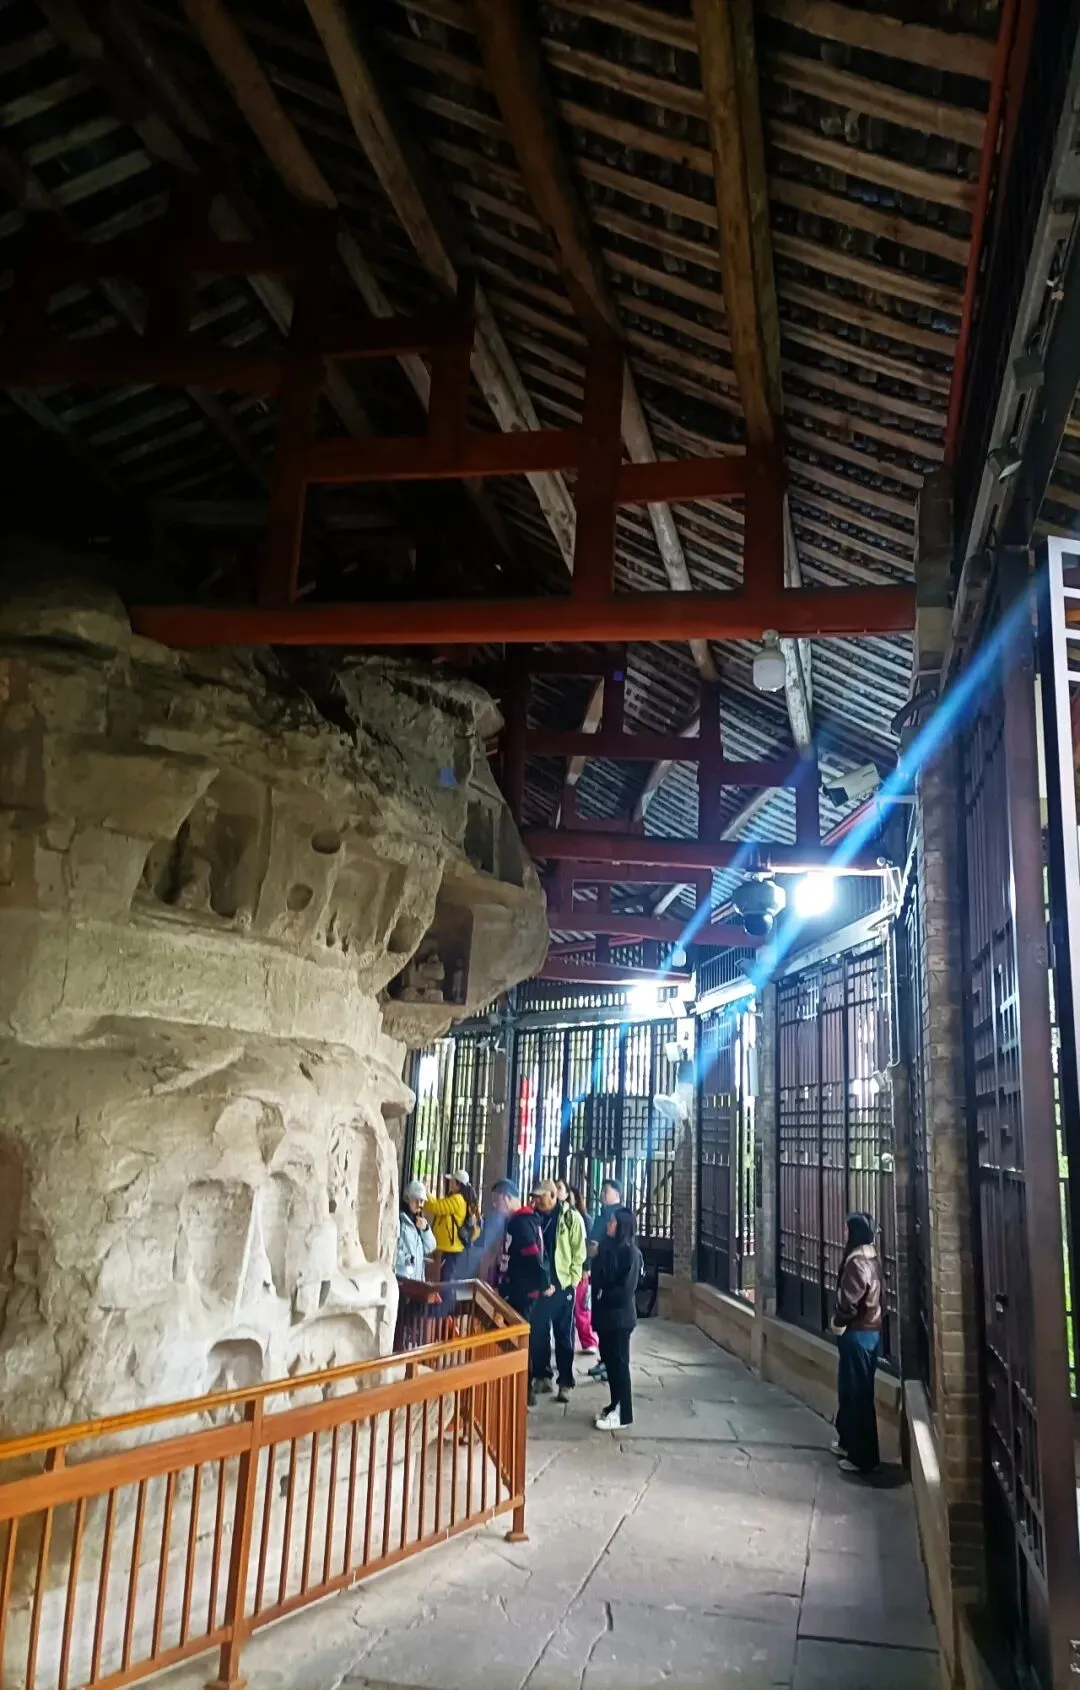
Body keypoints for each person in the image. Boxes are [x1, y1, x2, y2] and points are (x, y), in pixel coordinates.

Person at [829, 1211, 884, 1474]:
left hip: (858, 1332)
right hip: (869, 1332)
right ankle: (848, 1442)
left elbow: (849, 1301)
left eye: (847, 1230)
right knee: (853, 1390)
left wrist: (838, 1321)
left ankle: (863, 1457)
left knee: (857, 1393)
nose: (844, 1234)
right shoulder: (872, 1257)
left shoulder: (858, 1263)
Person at [490, 1179, 553, 1406]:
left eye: (497, 1200)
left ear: (507, 1198)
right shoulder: (521, 1221)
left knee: (520, 1342)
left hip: (523, 1292)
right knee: (519, 1340)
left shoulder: (522, 1223)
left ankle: (523, 1392)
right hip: (518, 1289)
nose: (495, 1206)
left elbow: (533, 1255)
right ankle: (520, 1389)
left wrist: (544, 1283)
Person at [530, 1178, 587, 1404]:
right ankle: (542, 1375)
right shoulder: (533, 1217)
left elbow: (578, 1251)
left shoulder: (570, 1217)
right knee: (539, 1333)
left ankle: (565, 1381)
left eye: (541, 1196)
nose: (537, 1200)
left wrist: (571, 1281)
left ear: (553, 1196)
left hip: (562, 1285)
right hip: (540, 1286)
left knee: (564, 1335)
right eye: (535, 1196)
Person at [591, 1206, 642, 1431]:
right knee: (611, 1364)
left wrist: (603, 1294)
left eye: (612, 1222)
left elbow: (625, 1290)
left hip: (620, 1318)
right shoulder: (606, 1247)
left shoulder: (631, 1253)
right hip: (605, 1317)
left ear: (622, 1226)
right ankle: (614, 1405)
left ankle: (623, 1414)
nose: (609, 1224)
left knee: (620, 1365)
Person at [586, 1178, 623, 1383]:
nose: (602, 1194)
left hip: (609, 1273)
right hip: (597, 1271)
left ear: (617, 1194)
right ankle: (604, 1359)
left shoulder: (620, 1216)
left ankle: (612, 1362)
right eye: (601, 1191)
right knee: (599, 1319)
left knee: (610, 1323)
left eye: (606, 1191)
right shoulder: (602, 1215)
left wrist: (599, 1248)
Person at [424, 1168, 481, 1282]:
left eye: (452, 1181)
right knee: (446, 1278)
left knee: (446, 1280)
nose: (450, 1183)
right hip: (452, 1246)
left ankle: (447, 1294)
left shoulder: (457, 1199)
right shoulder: (458, 1197)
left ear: (458, 1184)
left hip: (452, 1247)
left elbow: (437, 1207)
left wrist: (425, 1192)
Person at [567, 1184, 598, 1355]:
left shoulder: (584, 1219)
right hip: (565, 1269)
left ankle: (589, 1341)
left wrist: (586, 1267)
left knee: (581, 1308)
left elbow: (588, 1246)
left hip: (580, 1270)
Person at [395, 1178, 436, 1281]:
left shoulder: (420, 1221)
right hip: (402, 1279)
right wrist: (406, 1259)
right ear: (407, 1199)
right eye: (415, 1200)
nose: (419, 1204)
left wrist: (426, 1230)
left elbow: (431, 1247)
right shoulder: (399, 1220)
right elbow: (390, 1249)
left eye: (421, 1201)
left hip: (418, 1279)